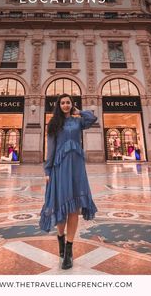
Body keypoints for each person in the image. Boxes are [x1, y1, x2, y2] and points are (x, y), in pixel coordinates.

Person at [39, 93, 97, 270]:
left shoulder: (77, 121)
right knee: (61, 206)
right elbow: (50, 148)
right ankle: (61, 241)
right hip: (60, 167)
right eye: (62, 103)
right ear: (58, 105)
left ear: (72, 105)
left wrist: (79, 111)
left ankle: (69, 251)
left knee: (75, 208)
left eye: (68, 102)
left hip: (77, 167)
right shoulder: (54, 123)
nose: (65, 105)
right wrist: (48, 170)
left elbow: (92, 118)